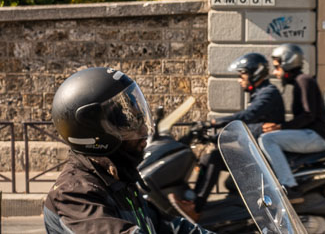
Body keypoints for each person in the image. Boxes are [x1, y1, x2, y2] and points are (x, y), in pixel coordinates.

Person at [44, 67, 213, 234]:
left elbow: (168, 226)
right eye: (127, 125)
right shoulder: (74, 194)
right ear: (95, 133)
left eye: (138, 119)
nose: (143, 132)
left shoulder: (119, 179)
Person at [169, 53, 286, 222]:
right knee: (209, 156)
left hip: (262, 156)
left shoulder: (268, 93)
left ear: (255, 74)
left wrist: (214, 123)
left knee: (213, 158)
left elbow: (248, 116)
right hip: (254, 151)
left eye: (242, 75)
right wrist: (214, 137)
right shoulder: (260, 93)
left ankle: (195, 207)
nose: (240, 80)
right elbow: (250, 127)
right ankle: (193, 201)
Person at [258, 44, 325, 198]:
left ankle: (288, 185)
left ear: (288, 64)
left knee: (268, 140)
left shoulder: (304, 81)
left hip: (315, 136)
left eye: (277, 67)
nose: (275, 73)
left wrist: (280, 127)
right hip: (309, 135)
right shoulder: (299, 82)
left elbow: (308, 115)